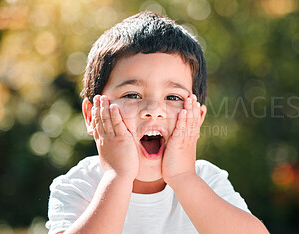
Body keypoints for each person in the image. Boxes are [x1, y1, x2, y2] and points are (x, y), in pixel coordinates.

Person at [46, 11, 269, 234]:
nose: (154, 111)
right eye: (132, 95)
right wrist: (118, 177)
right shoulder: (80, 185)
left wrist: (183, 178)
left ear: (196, 120)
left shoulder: (207, 181)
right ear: (93, 116)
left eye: (173, 97)